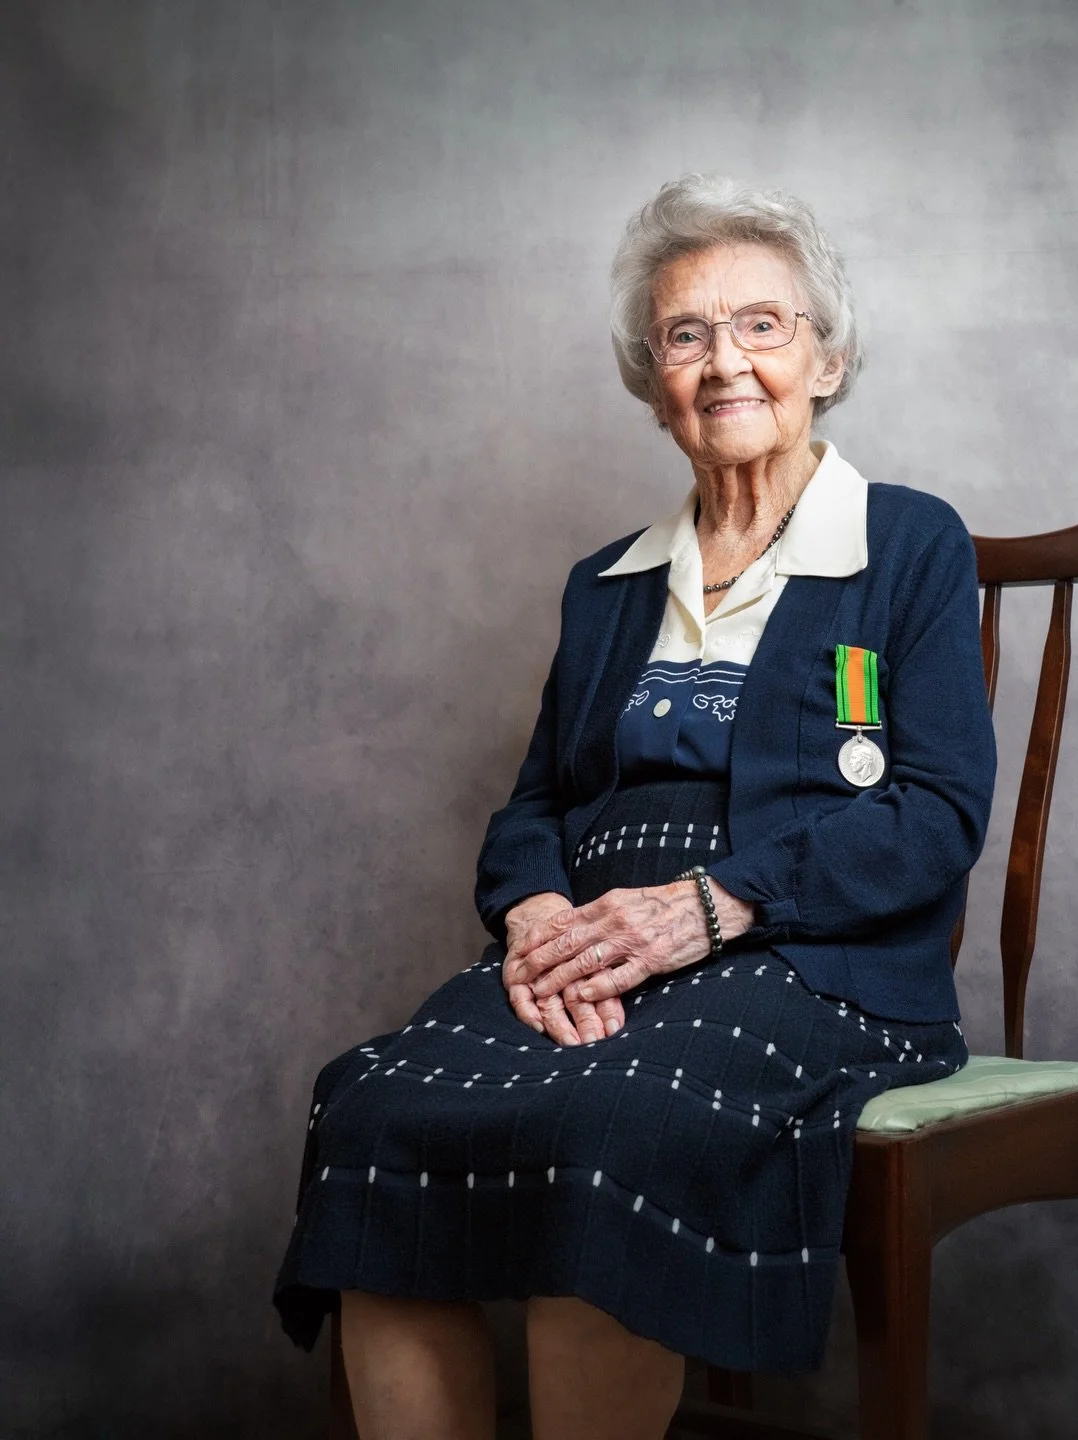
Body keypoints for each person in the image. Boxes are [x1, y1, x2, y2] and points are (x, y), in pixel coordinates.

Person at [273, 174, 997, 1440]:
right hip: (592, 941)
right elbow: (535, 804)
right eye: (686, 335)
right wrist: (541, 912)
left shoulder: (909, 545)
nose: (726, 364)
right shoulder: (607, 586)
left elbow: (933, 814)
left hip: (810, 957)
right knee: (374, 1110)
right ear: (653, 383)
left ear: (825, 360)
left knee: (603, 1128)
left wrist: (717, 905)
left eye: (762, 326)